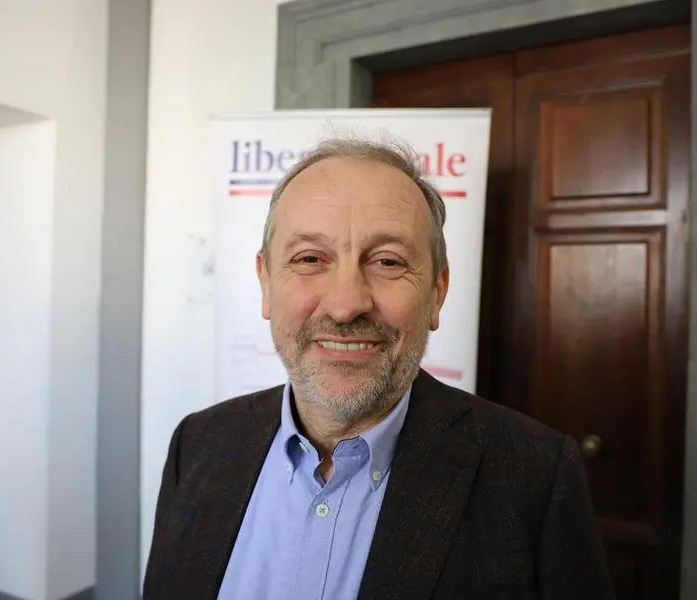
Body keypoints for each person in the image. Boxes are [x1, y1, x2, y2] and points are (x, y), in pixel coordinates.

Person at [142, 136, 615, 599]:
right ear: (266, 283)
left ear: (437, 294)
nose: (346, 305)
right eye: (310, 259)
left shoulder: (535, 476)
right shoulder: (198, 446)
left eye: (388, 262)